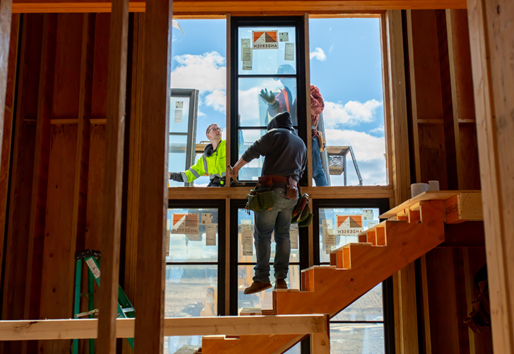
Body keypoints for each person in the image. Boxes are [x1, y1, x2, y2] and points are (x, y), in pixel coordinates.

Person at [228, 112, 307, 294]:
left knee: (263, 235)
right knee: (283, 236)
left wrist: (235, 169)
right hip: (292, 194)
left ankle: (262, 278)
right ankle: (281, 279)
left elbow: (253, 150)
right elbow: (301, 171)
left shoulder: (276, 134)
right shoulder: (301, 143)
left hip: (272, 192)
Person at [260, 65, 328, 186]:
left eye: (284, 76)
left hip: (308, 136)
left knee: (316, 171)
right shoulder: (281, 96)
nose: (283, 80)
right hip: (291, 139)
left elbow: (319, 108)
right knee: (293, 173)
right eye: (281, 78)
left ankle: (325, 203)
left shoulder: (310, 89)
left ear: (292, 75)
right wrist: (272, 104)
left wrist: (304, 92)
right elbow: (277, 114)